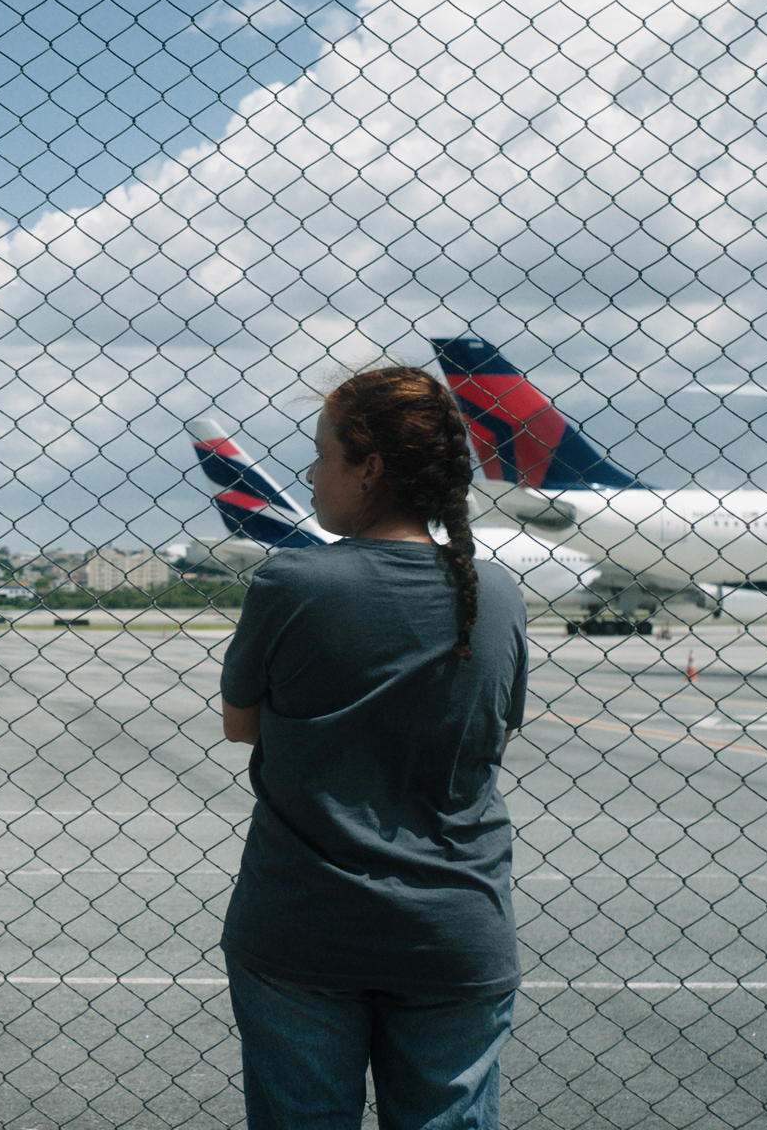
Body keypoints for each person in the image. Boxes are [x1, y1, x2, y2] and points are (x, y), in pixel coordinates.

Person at [217, 365, 528, 1130]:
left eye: (322, 454)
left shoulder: (291, 580)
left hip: (305, 923)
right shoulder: (498, 592)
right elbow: (497, 730)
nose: (312, 474)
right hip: (456, 927)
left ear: (370, 468)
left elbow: (240, 723)